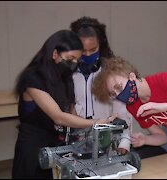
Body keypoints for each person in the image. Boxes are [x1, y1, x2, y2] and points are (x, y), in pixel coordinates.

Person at [12, 30, 115, 179]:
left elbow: (70, 113)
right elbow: (59, 117)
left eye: (76, 60)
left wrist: (87, 132)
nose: (74, 64)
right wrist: (96, 123)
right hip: (33, 146)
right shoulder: (33, 77)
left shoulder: (65, 77)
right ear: (55, 54)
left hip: (56, 145)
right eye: (70, 58)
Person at [70, 16, 132, 155]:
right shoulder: (68, 74)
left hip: (108, 139)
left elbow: (123, 110)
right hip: (78, 139)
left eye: (93, 50)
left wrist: (125, 141)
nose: (87, 55)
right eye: (83, 51)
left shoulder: (111, 74)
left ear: (101, 45)